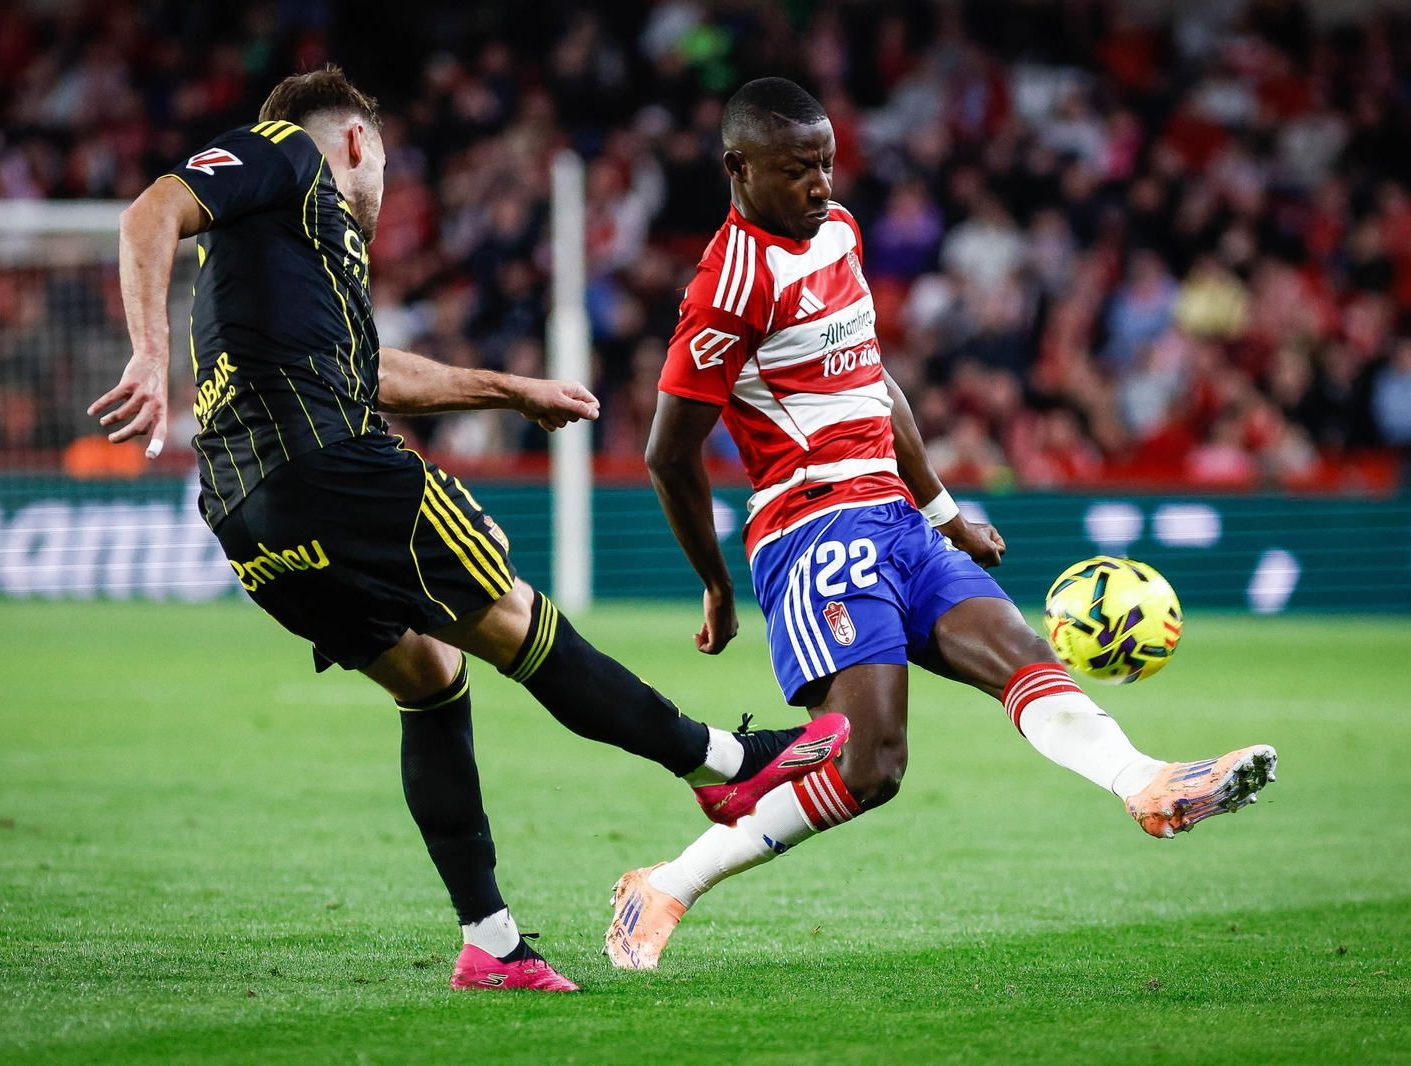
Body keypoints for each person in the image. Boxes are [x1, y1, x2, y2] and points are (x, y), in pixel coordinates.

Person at [90, 66, 848, 993]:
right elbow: (147, 212)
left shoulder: (284, 266)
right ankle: (721, 765)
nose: (381, 195)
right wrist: (149, 355)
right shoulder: (287, 153)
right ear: (359, 142)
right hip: (333, 466)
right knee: (517, 623)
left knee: (430, 675)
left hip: (249, 517)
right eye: (385, 168)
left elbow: (372, 371)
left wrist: (511, 391)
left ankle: (489, 942)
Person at [604, 78, 1277, 971]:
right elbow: (666, 452)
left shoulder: (838, 232)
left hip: (898, 518)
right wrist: (719, 583)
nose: (820, 185)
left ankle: (1147, 783)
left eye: (827, 164)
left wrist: (945, 512)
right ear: (739, 168)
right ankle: (665, 886)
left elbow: (875, 387)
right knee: (871, 766)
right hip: (810, 529)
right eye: (798, 169)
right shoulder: (727, 288)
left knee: (1021, 655)